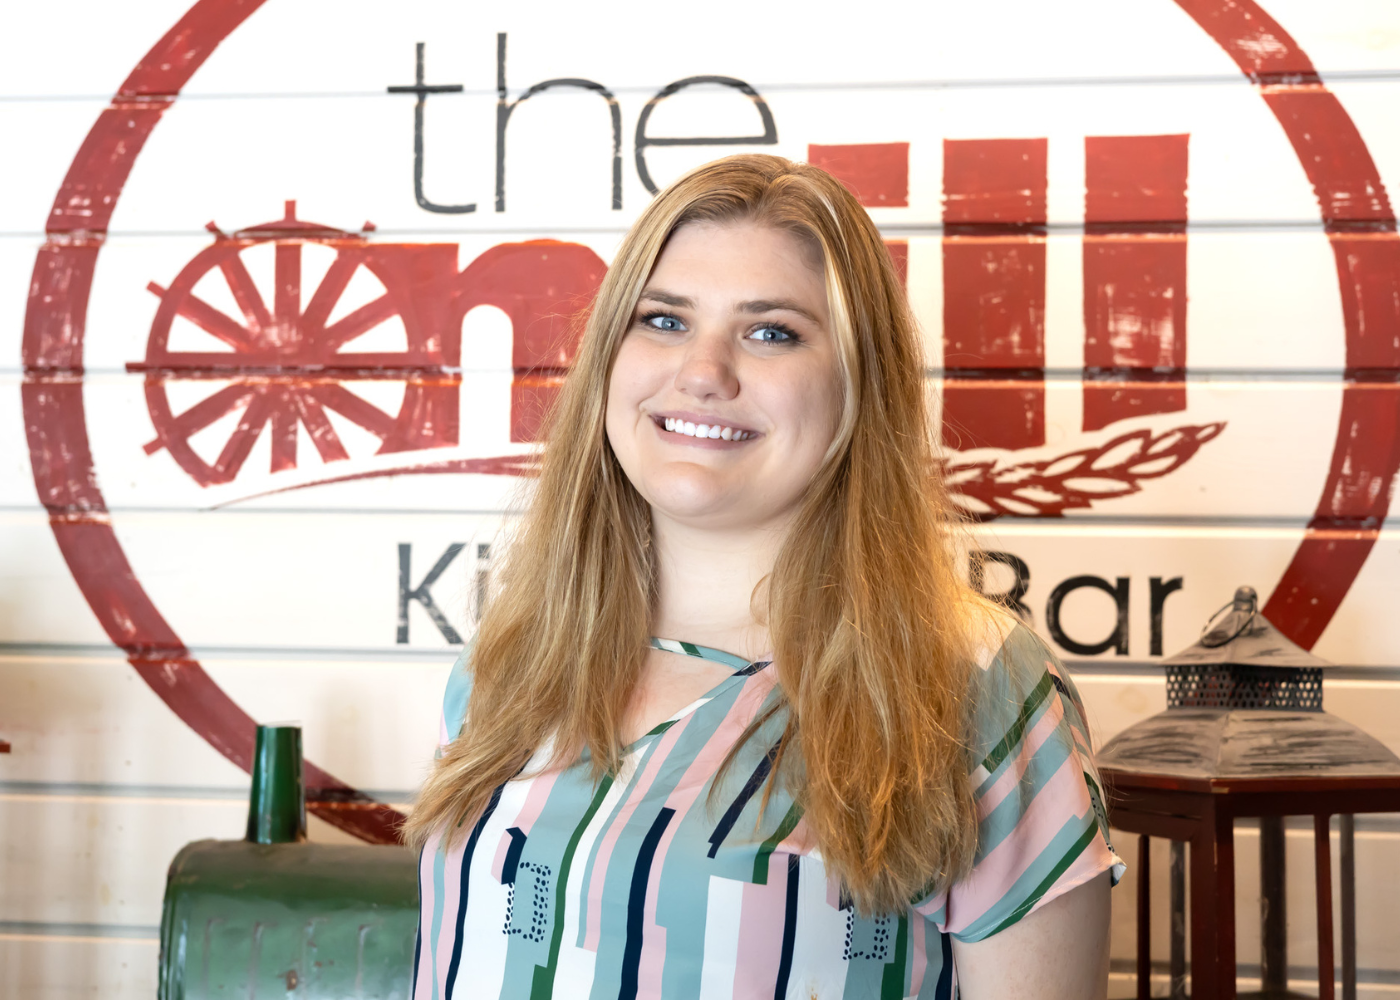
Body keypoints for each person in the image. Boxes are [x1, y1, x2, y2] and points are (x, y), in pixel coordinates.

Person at [406, 154, 1121, 1000]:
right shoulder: (512, 658)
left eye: (771, 331)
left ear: (860, 383)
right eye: (663, 321)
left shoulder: (975, 686)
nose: (704, 371)